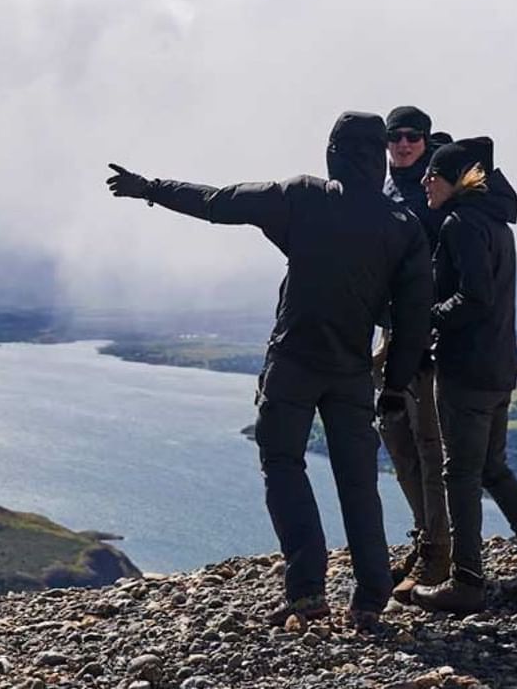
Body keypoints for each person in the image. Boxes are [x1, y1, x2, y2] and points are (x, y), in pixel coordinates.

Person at [106, 112, 432, 629]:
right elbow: (413, 321)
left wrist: (150, 188)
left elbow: (218, 203)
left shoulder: (304, 196)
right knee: (358, 482)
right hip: (350, 371)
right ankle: (371, 598)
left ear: (333, 149)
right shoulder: (402, 225)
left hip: (293, 363)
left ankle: (306, 592)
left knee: (283, 464)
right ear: (377, 153)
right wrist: (394, 388)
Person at [410, 137, 517, 614]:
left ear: (455, 180)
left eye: (432, 175)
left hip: (467, 369)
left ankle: (467, 582)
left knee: (459, 472)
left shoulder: (460, 224)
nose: (424, 182)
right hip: (500, 365)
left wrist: (427, 317)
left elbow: (474, 297)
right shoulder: (497, 222)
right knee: (494, 469)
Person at [378, 106, 450, 601]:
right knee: (396, 436)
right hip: (390, 335)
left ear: (426, 141)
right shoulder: (384, 189)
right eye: (395, 137)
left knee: (427, 443)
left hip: (426, 336)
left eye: (412, 137)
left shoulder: (435, 191)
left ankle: (438, 555)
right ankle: (427, 537)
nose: (403, 144)